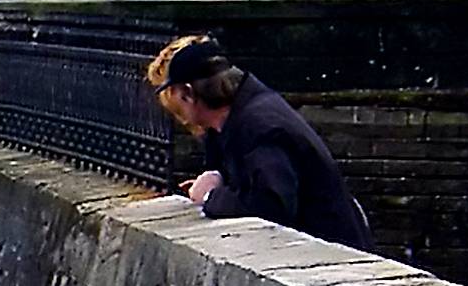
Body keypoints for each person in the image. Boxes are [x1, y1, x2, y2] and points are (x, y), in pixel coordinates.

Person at [146, 36, 372, 252]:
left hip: (329, 254)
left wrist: (210, 196)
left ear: (187, 94)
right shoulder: (242, 117)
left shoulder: (260, 127)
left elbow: (271, 206)